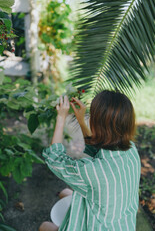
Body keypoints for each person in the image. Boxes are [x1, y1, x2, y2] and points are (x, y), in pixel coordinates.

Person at [39, 90, 141, 231]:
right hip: (122, 223)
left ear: (96, 124)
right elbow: (99, 148)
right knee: (65, 192)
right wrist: (81, 120)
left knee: (44, 226)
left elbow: (54, 159)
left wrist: (61, 118)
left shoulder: (93, 171)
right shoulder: (131, 150)